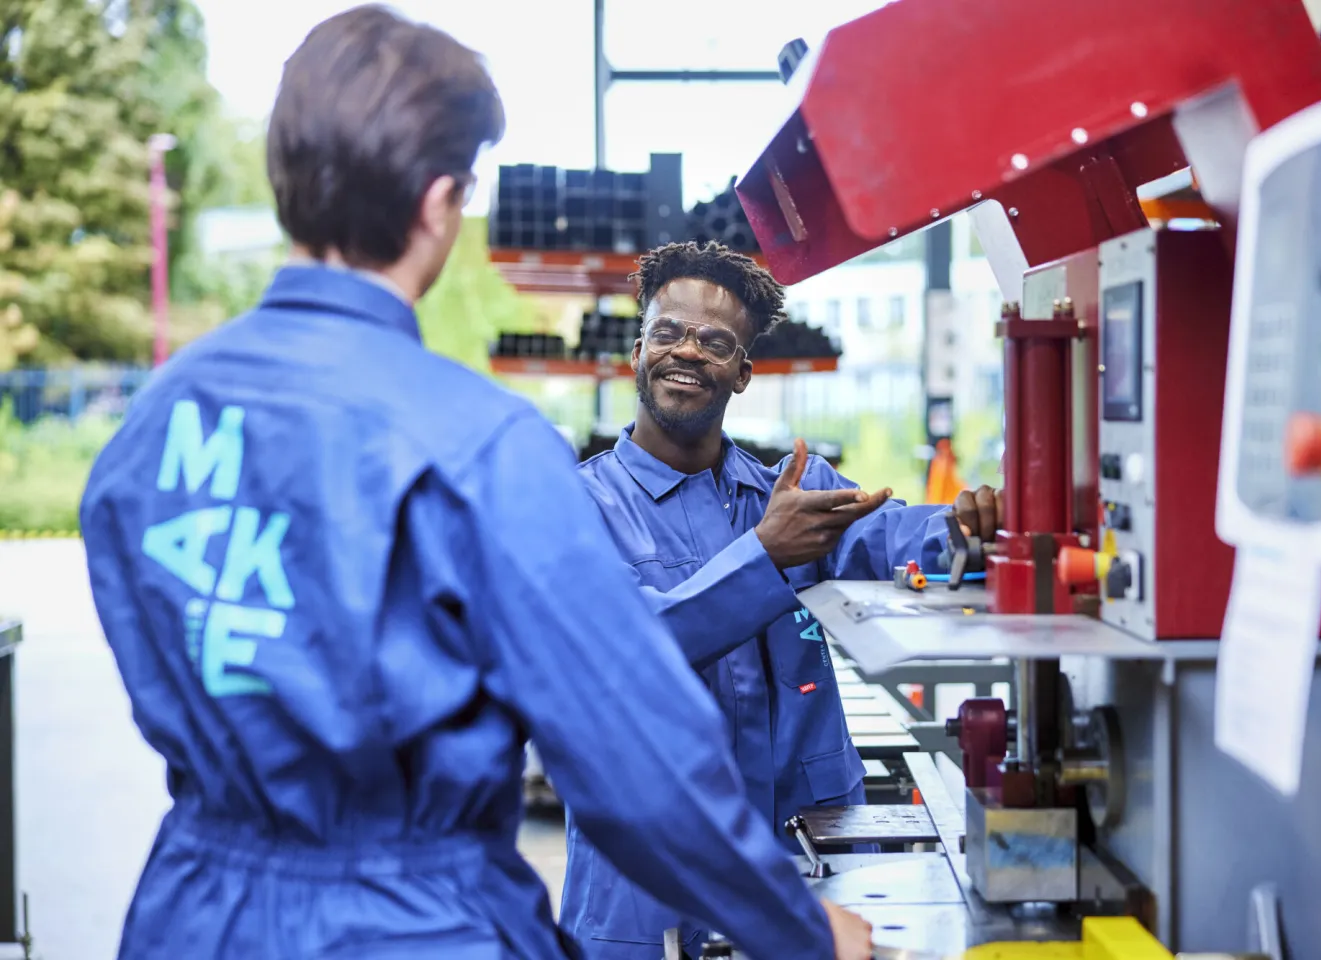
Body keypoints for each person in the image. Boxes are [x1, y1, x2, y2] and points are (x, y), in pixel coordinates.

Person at [78, 10, 874, 959]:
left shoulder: (151, 427)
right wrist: (795, 926)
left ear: (286, 177)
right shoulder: (480, 448)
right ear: (441, 201)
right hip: (414, 927)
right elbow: (626, 757)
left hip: (192, 915)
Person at [559, 240, 1001, 957]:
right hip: (644, 885)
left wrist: (970, 527)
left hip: (802, 858)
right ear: (637, 350)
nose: (687, 352)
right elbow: (629, 648)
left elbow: (892, 538)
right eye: (668, 332)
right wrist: (764, 555)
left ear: (742, 372)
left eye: (715, 341)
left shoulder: (788, 491)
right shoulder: (578, 507)